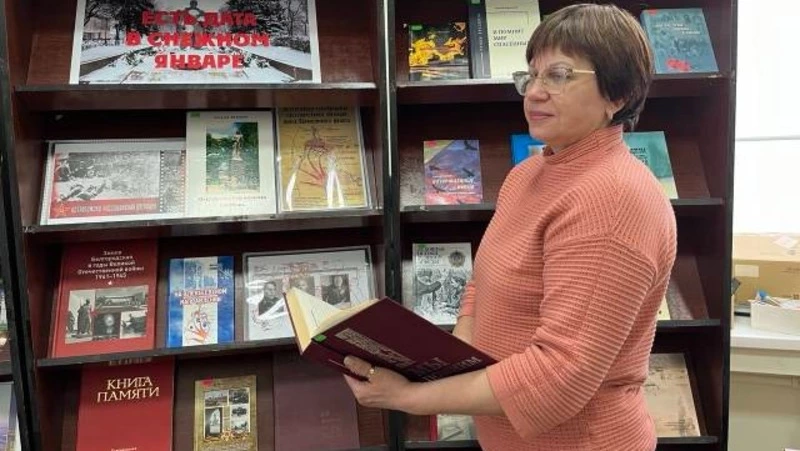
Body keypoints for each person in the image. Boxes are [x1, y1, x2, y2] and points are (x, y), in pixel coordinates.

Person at [342, 4, 677, 450]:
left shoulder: (614, 198)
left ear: (617, 95)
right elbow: (484, 283)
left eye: (558, 75)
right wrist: (446, 363)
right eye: (531, 76)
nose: (534, 92)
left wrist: (410, 397)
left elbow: (560, 375)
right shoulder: (528, 174)